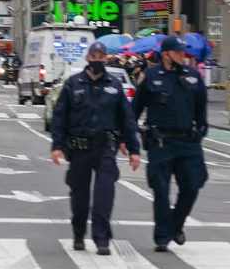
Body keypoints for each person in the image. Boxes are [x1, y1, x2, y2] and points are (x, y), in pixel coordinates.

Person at [50, 42, 141, 255]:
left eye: (102, 57)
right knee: (80, 197)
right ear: (88, 58)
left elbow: (126, 119)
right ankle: (79, 232)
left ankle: (102, 239)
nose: (98, 60)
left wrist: (134, 149)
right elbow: (59, 117)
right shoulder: (73, 84)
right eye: (95, 56)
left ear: (106, 59)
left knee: (104, 194)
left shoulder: (114, 85)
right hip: (79, 149)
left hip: (105, 149)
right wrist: (58, 145)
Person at [132, 36, 209, 252]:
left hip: (188, 141)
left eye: (183, 52)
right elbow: (134, 110)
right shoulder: (151, 76)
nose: (183, 55)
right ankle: (162, 236)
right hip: (161, 142)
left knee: (193, 184)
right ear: (166, 55)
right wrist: (130, 140)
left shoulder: (193, 76)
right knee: (161, 189)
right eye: (178, 52)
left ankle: (176, 223)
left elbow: (201, 110)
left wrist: (199, 134)